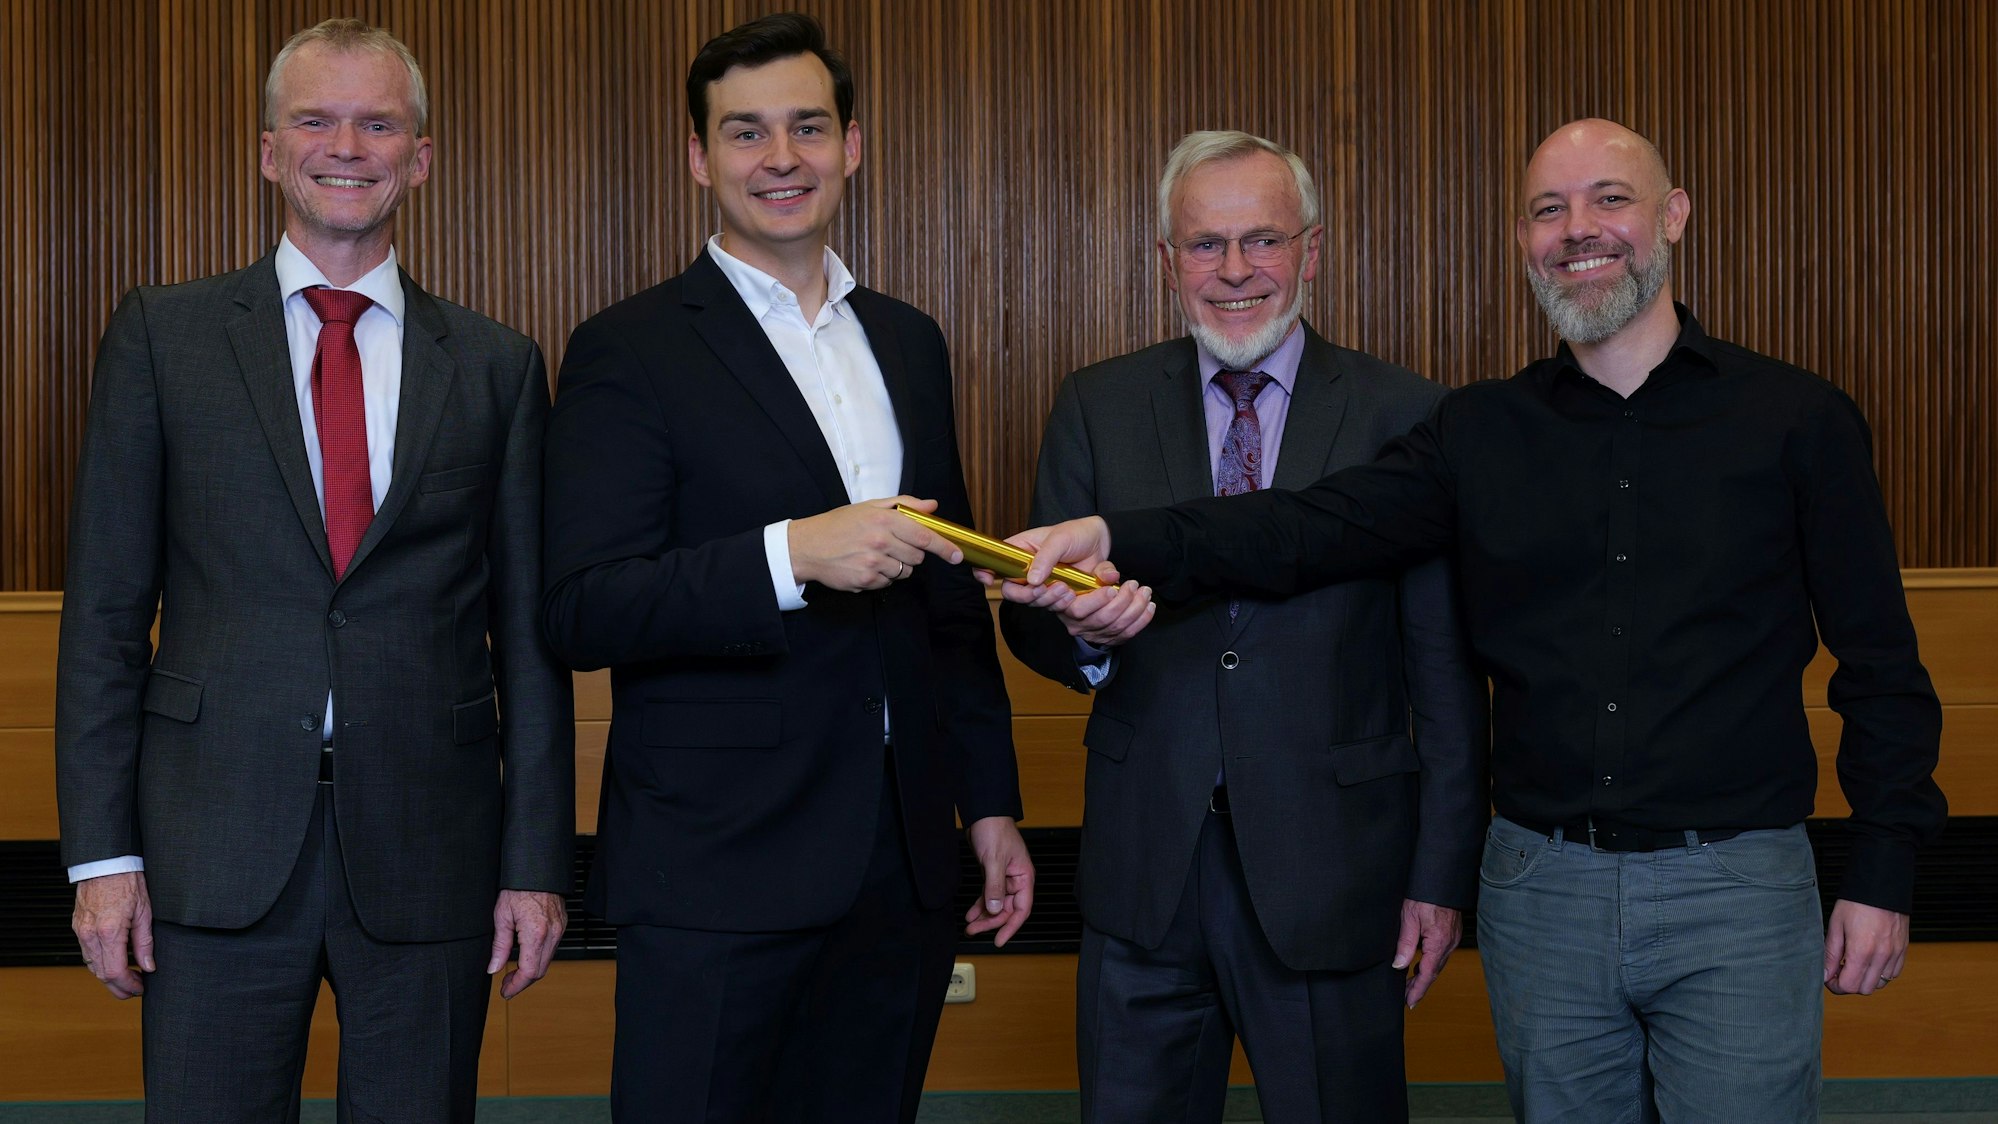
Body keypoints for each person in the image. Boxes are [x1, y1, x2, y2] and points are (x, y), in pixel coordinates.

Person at [1001, 118, 1945, 1123]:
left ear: (1672, 216)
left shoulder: (1796, 418)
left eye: (1608, 199)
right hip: (1545, 887)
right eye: (1548, 208)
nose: (1578, 229)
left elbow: (1881, 663)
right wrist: (1112, 532)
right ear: (1523, 238)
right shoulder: (1481, 430)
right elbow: (1298, 527)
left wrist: (1883, 866)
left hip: (1735, 887)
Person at [56, 18, 575, 1121]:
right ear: (268, 149)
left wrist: (537, 860)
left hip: (431, 852)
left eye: (379, 122)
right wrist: (101, 855)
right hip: (211, 846)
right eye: (316, 119)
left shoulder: (495, 365)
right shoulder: (163, 336)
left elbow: (528, 640)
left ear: (421, 156)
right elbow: (105, 615)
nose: (348, 145)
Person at [539, 13, 1032, 1122]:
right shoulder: (631, 346)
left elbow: (948, 597)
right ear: (699, 158)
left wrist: (989, 804)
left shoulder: (909, 340)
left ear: (852, 145)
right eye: (746, 133)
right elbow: (583, 605)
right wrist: (787, 554)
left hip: (899, 856)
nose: (781, 159)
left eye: (808, 128)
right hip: (718, 862)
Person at [997, 130, 1487, 1123]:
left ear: (1311, 248)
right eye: (1204, 244)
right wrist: (1086, 636)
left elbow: (1442, 668)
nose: (1233, 272)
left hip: (1337, 873)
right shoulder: (1097, 403)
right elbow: (1031, 618)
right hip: (1145, 873)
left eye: (1260, 240)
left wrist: (1441, 875)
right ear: (1165, 261)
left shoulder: (1409, 413)